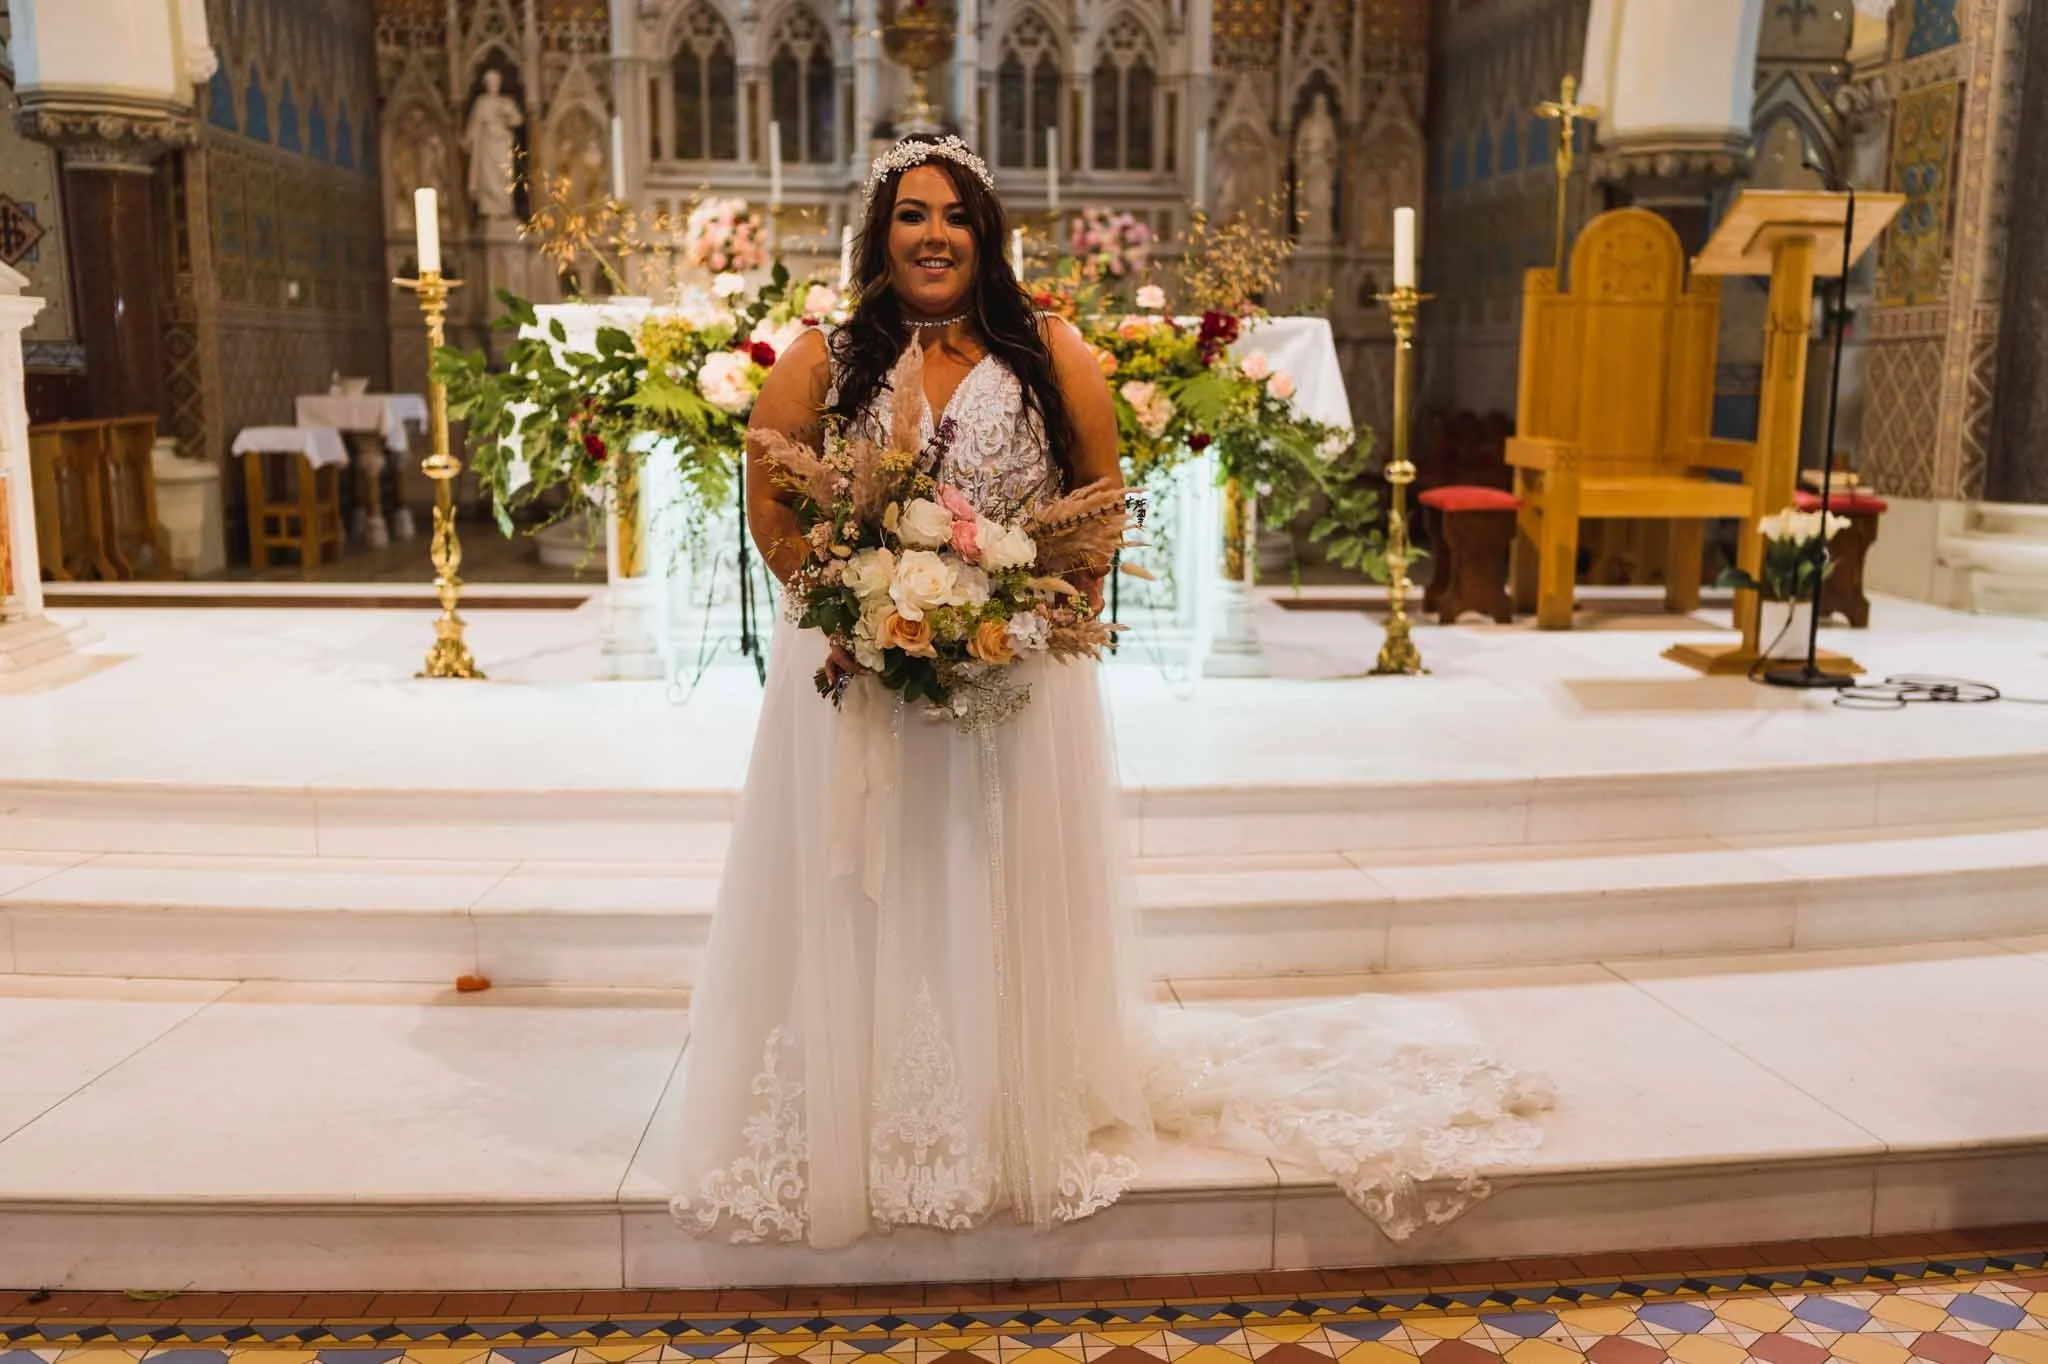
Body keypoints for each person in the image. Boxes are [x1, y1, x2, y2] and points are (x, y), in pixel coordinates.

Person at [671, 134, 1551, 1251]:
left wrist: (1024, 616)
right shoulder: (824, 356)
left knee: (984, 875)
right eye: (910, 215)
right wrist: (847, 616)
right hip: (854, 679)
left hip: (1010, 675)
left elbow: (1098, 498)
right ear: (879, 232)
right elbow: (772, 505)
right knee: (873, 882)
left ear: (985, 236)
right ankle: (868, 1102)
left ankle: (1004, 1104)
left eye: (954, 216)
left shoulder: (1049, 349)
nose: (932, 235)